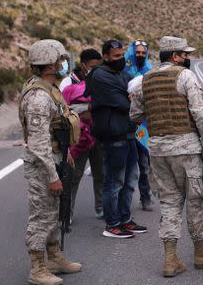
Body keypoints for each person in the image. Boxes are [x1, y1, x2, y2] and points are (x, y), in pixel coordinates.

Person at [130, 36, 203, 277]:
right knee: (195, 200)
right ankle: (201, 251)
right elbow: (201, 114)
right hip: (186, 149)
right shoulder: (185, 77)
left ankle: (170, 259)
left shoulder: (144, 80)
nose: (187, 58)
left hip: (157, 150)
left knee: (169, 202)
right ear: (174, 56)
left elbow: (135, 115)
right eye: (184, 54)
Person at [19, 39, 82, 285]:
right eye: (60, 59)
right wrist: (52, 176)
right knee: (42, 216)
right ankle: (38, 267)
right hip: (42, 164)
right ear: (49, 63)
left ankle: (55, 258)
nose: (62, 63)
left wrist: (64, 153)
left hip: (55, 158)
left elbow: (56, 128)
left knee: (56, 213)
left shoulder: (49, 89)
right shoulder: (37, 97)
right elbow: (37, 142)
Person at [85, 39, 146, 239]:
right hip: (113, 135)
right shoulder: (99, 76)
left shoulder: (122, 74)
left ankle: (125, 219)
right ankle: (112, 223)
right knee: (114, 181)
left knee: (130, 180)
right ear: (106, 57)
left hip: (129, 134)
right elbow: (124, 102)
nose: (120, 59)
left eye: (121, 55)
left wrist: (132, 96)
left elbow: (136, 94)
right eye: (116, 56)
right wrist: (130, 96)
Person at [61, 49, 104, 219]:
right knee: (73, 176)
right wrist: (88, 109)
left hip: (98, 134)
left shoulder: (101, 81)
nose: (96, 70)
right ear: (83, 65)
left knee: (101, 174)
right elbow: (63, 109)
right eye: (93, 67)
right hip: (78, 138)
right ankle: (67, 214)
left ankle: (100, 208)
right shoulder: (67, 84)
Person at [125, 39, 154, 212]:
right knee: (126, 166)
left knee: (144, 165)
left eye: (143, 53)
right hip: (125, 123)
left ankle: (146, 197)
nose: (141, 55)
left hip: (143, 126)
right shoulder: (124, 71)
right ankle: (124, 201)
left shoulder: (149, 71)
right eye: (138, 52)